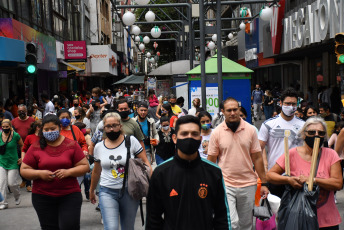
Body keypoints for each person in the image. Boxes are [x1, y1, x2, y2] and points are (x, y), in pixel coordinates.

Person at [146, 115, 231, 229]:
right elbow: (153, 218)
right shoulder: (161, 173)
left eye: (194, 134)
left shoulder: (214, 172)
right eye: (184, 134)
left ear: (200, 139)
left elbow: (222, 216)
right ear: (175, 138)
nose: (189, 137)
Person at [267, 117, 342, 230]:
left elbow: (338, 183)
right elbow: (270, 175)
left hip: (327, 221)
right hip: (298, 218)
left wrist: (313, 180)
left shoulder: (331, 155)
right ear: (303, 135)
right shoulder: (291, 154)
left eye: (321, 133)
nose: (316, 135)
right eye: (311, 132)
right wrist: (288, 180)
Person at [207, 97, 268, 230]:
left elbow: (257, 157)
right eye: (229, 110)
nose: (233, 113)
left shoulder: (251, 130)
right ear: (223, 111)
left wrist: (264, 183)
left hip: (248, 184)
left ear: (239, 109)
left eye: (235, 109)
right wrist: (211, 183)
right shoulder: (216, 132)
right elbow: (211, 160)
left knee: (246, 224)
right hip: (226, 184)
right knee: (232, 223)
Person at [20, 114, 89, 229]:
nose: (49, 132)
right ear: (42, 129)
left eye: (53, 129)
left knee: (69, 226)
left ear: (60, 128)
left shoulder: (71, 145)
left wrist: (68, 172)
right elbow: (24, 170)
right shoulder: (35, 146)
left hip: (69, 195)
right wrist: (39, 174)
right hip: (42, 197)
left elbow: (84, 166)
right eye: (46, 129)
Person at [89, 112, 151, 230]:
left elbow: (146, 163)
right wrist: (92, 190)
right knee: (111, 227)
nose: (112, 129)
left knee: (127, 227)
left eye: (114, 125)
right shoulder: (99, 147)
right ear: (104, 128)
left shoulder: (131, 141)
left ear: (120, 126)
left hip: (130, 191)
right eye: (108, 126)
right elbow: (96, 171)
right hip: (107, 191)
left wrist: (149, 183)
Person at [258, 88, 305, 197]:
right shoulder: (268, 124)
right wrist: (262, 178)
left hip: (297, 177)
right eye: (287, 103)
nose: (291, 107)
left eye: (294, 104)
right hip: (275, 177)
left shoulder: (304, 126)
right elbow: (258, 151)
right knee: (277, 212)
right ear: (280, 103)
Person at [11, 104, 35, 192]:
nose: (21, 113)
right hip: (17, 146)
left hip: (29, 145)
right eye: (19, 111)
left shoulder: (32, 120)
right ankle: (24, 180)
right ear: (17, 112)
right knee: (19, 163)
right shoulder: (13, 121)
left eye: (23, 111)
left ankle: (29, 184)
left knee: (27, 163)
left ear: (26, 111)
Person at [0, 119, 23, 210]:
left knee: (12, 183)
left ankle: (17, 196)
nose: (5, 128)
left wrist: (22, 157)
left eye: (7, 127)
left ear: (10, 126)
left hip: (13, 162)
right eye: (3, 127)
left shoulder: (16, 136)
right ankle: (3, 203)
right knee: (1, 184)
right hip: (2, 162)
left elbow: (22, 145)